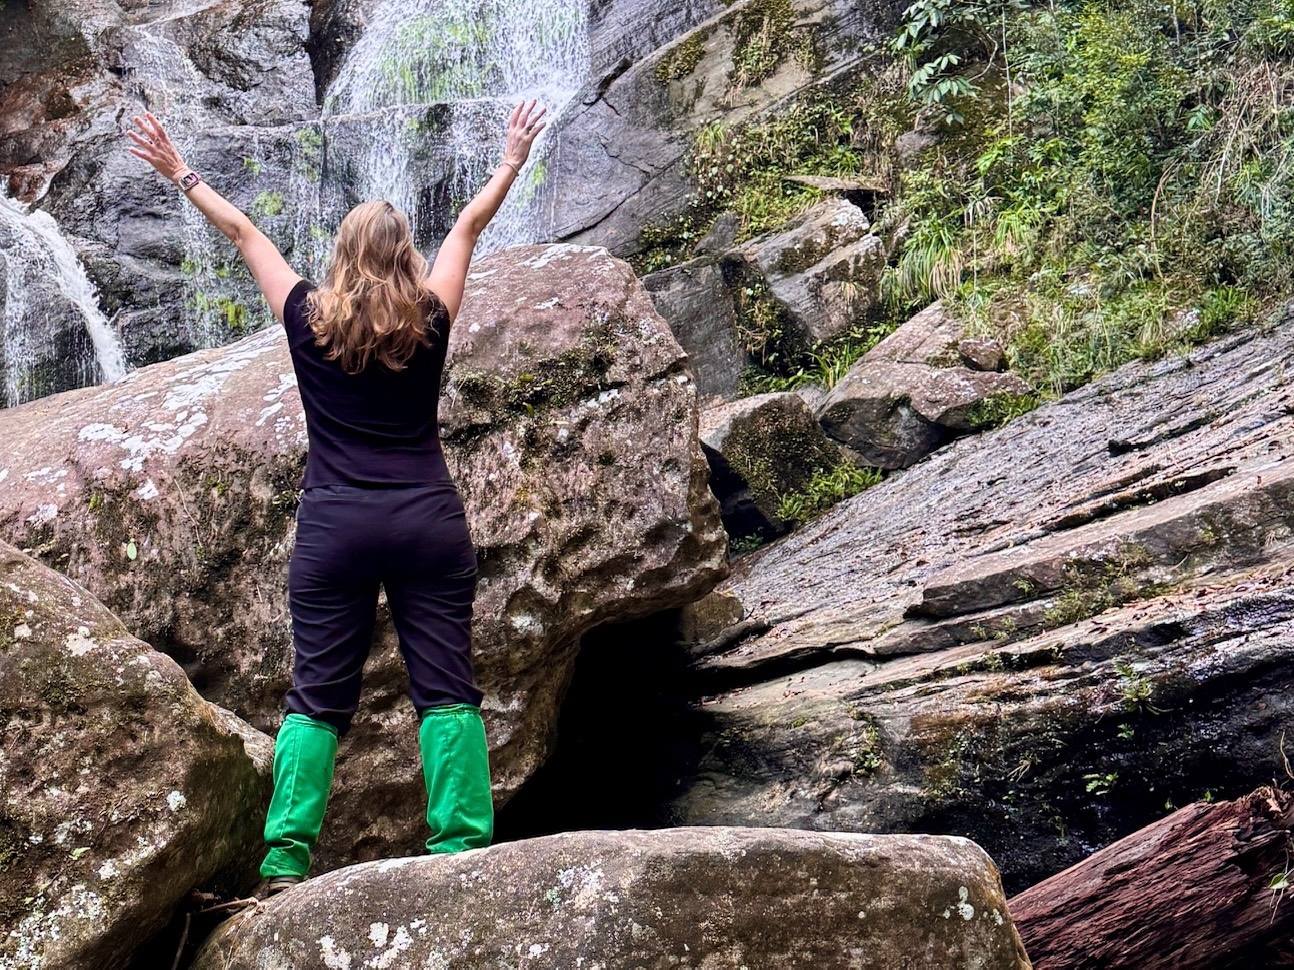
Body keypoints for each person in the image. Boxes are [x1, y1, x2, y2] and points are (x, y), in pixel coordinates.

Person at [126, 100, 548, 894]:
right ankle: (458, 845)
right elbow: (467, 229)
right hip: (426, 519)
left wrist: (179, 170)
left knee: (317, 695)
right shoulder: (429, 317)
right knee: (446, 689)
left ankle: (285, 859)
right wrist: (511, 160)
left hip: (335, 528)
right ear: (404, 258)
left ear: (343, 256)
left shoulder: (307, 320)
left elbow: (246, 235)